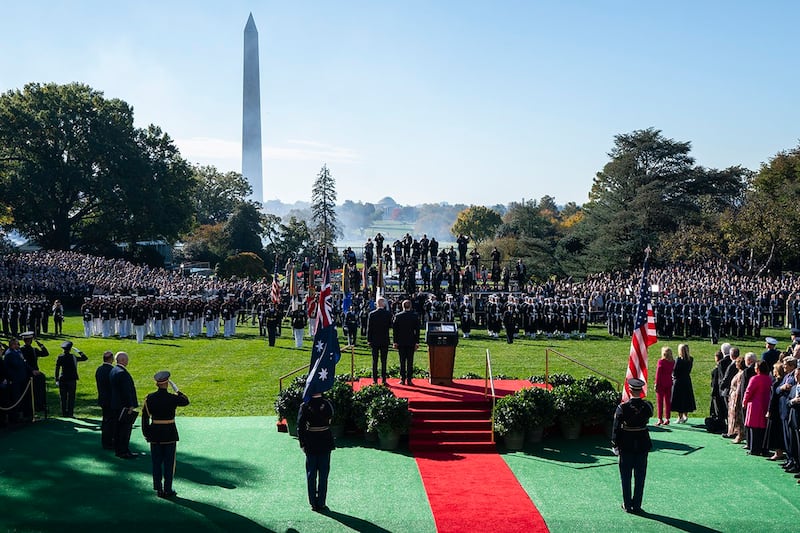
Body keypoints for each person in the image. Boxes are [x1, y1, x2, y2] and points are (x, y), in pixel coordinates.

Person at [142, 371, 190, 498]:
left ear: (157, 384)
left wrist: (147, 434)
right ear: (167, 383)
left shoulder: (149, 398)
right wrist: (178, 390)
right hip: (169, 434)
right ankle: (167, 489)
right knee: (169, 464)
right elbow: (186, 401)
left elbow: (145, 418)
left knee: (156, 462)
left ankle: (158, 488)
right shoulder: (172, 398)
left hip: (155, 434)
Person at [611, 377, 653, 515]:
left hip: (626, 444)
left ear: (629, 390)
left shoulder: (622, 408)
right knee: (640, 476)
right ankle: (637, 505)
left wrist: (614, 444)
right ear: (641, 391)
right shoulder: (647, 406)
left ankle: (628, 504)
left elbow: (616, 427)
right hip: (642, 444)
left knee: (626, 476)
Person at [297, 391, 335, 513]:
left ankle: (313, 502)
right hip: (325, 442)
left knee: (311, 474)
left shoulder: (305, 405)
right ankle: (321, 502)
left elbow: (300, 426)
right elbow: (330, 420)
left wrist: (302, 443)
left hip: (311, 442)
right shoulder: (327, 404)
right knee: (323, 474)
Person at [110, 351, 139, 459]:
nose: (127, 361)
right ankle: (124, 451)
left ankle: (119, 450)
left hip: (116, 405)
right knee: (124, 430)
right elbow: (126, 391)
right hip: (124, 406)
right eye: (126, 359)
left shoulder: (114, 370)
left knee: (118, 429)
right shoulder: (122, 373)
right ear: (122, 360)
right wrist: (131, 405)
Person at [742, 360, 772, 456]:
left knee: (754, 428)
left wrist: (744, 402)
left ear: (758, 369)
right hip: (765, 404)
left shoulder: (755, 379)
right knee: (762, 428)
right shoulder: (769, 379)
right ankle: (763, 448)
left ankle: (754, 449)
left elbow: (748, 391)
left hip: (755, 405)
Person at [54, 341, 88, 418]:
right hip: (72, 379)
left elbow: (57, 368)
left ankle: (64, 413)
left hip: (62, 379)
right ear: (70, 349)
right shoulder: (73, 357)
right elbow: (85, 358)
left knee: (63, 397)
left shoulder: (60, 357)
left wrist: (56, 378)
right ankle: (70, 413)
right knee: (71, 397)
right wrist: (79, 351)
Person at [392, 299, 420, 386]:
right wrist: (417, 342)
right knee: (410, 361)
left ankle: (402, 379)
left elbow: (395, 330)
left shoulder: (398, 316)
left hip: (401, 341)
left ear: (402, 306)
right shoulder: (414, 316)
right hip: (411, 341)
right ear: (410, 306)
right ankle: (409, 379)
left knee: (402, 361)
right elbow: (417, 330)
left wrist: (395, 341)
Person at [367, 297, 392, 385]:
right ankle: (384, 379)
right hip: (384, 339)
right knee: (383, 360)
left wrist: (369, 340)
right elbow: (390, 326)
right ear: (384, 304)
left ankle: (374, 380)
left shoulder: (372, 314)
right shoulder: (388, 314)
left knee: (375, 361)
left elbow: (369, 328)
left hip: (374, 340)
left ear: (377, 304)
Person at [671, 343, 696, 423]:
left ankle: (680, 417)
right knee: (686, 398)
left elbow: (675, 371)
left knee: (679, 399)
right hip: (687, 380)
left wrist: (672, 376)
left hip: (678, 381)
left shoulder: (678, 359)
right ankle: (685, 415)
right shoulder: (690, 359)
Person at [95, 351, 115, 449]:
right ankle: (109, 441)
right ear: (111, 359)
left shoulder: (99, 369)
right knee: (110, 422)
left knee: (105, 421)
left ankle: (105, 441)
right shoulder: (112, 370)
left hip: (102, 399)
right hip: (111, 400)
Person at [727, 358, 747, 443]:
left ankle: (740, 435)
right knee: (733, 416)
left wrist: (736, 400)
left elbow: (739, 388)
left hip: (736, 397)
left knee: (737, 417)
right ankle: (737, 433)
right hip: (733, 396)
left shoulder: (741, 374)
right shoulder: (739, 373)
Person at [654, 346, 675, 426]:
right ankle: (667, 418)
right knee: (667, 401)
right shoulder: (672, 362)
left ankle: (660, 418)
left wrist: (656, 383)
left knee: (660, 401)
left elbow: (658, 374)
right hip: (669, 382)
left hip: (661, 383)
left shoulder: (661, 362)